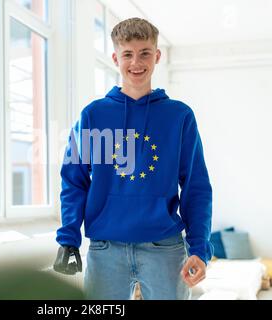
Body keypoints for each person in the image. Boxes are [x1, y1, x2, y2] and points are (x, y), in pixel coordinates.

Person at [53, 17, 213, 300]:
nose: (136, 63)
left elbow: (196, 187)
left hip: (164, 248)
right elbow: (74, 179)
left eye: (144, 53)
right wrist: (68, 237)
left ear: (157, 56)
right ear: (116, 58)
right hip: (106, 250)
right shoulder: (93, 115)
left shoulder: (179, 116)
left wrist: (199, 248)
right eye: (128, 54)